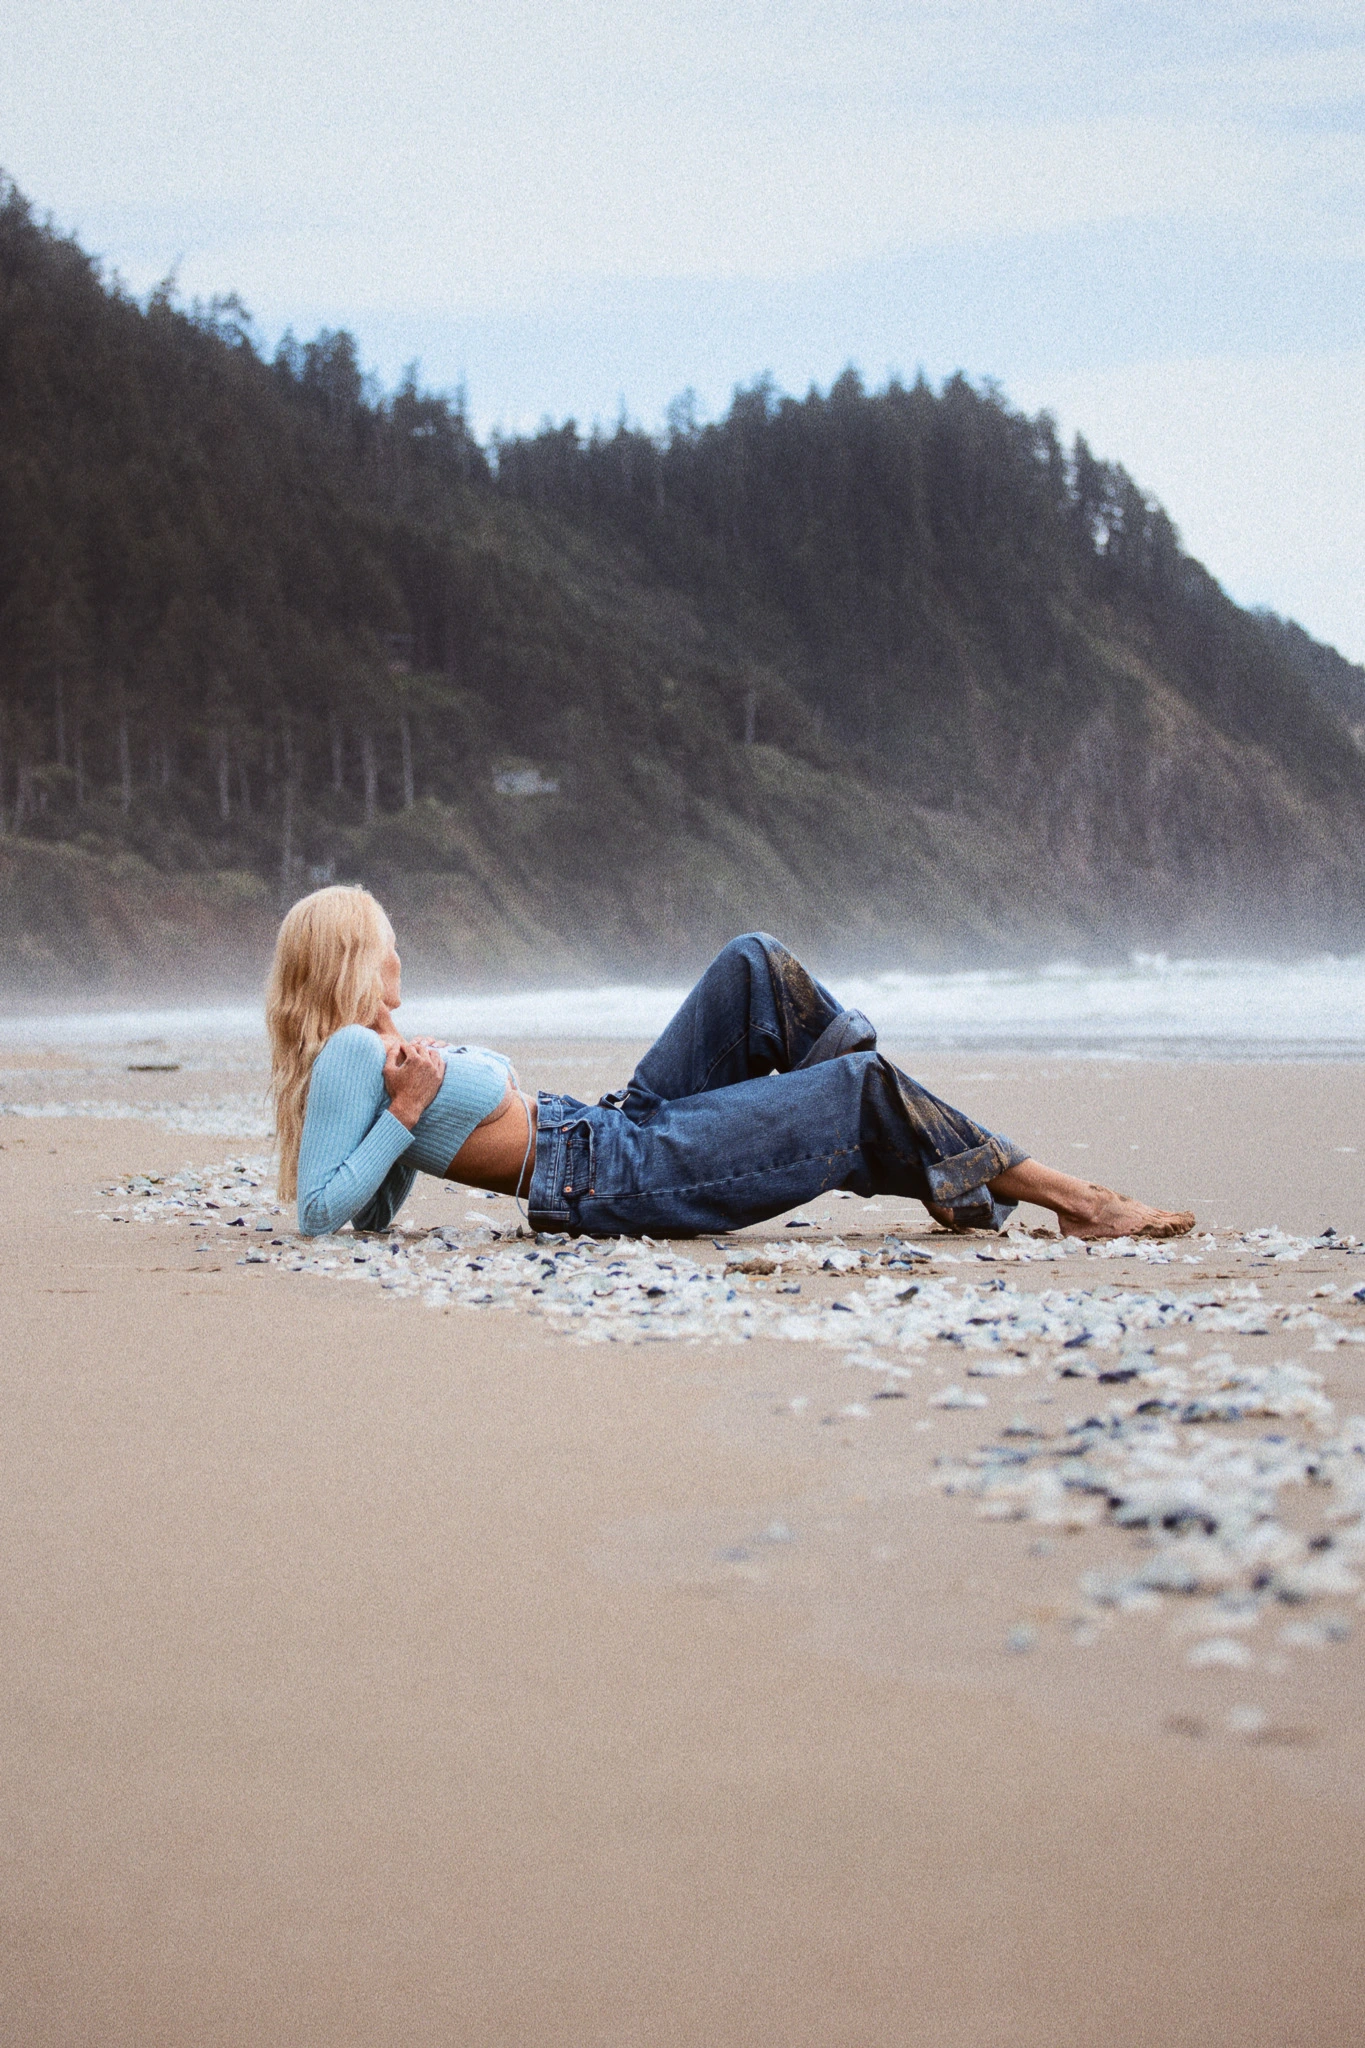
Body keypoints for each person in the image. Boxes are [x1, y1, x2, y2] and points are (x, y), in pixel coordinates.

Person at [266, 885, 1195, 1245]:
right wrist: (407, 1110)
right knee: (857, 1087)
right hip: (602, 1178)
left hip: (606, 1128)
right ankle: (1076, 1202)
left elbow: (378, 1199)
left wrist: (408, 1113)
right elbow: (325, 1215)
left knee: (753, 962)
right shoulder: (356, 1052)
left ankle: (932, 1161)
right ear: (356, 957)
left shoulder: (382, 1050)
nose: (401, 953)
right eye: (388, 941)